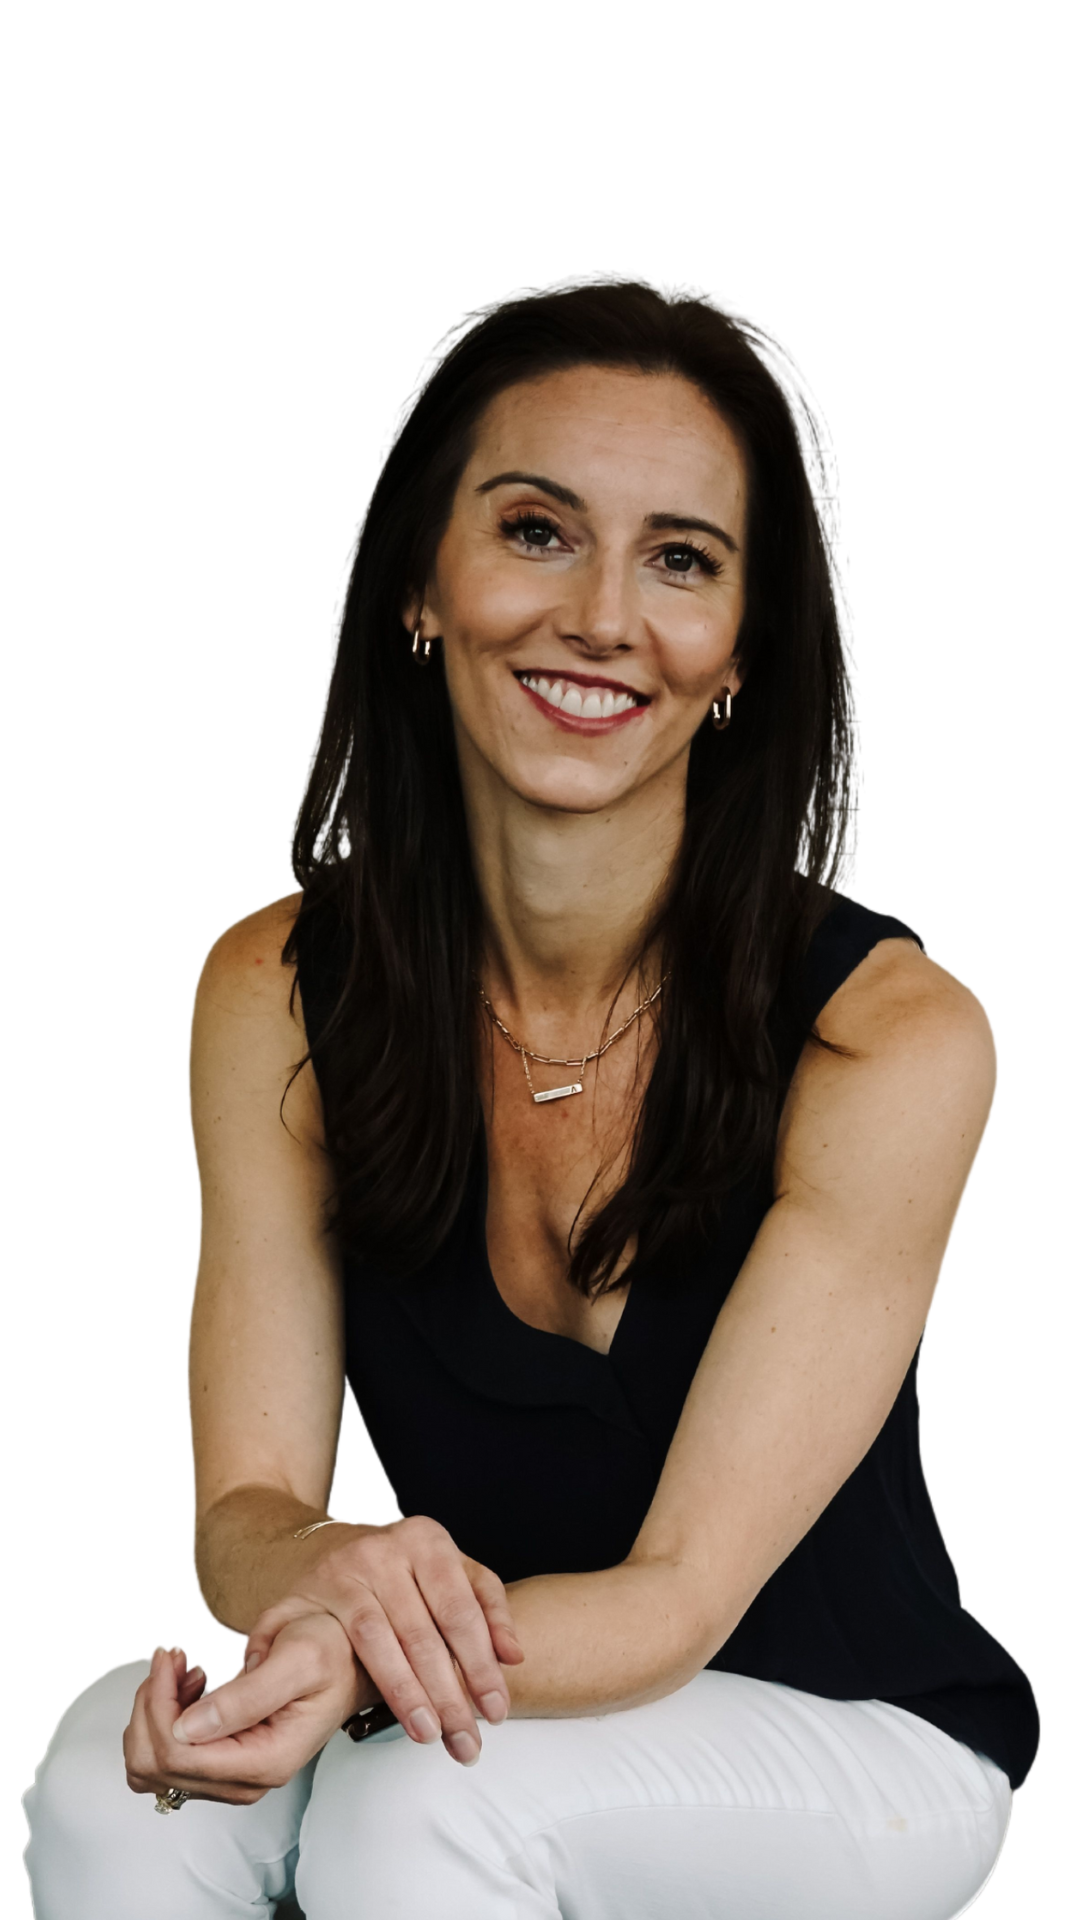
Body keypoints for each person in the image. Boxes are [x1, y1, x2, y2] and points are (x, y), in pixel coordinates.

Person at [22, 275, 1029, 1918]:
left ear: (740, 656)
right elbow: (248, 1511)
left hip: (859, 1737)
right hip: (485, 1699)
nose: (604, 617)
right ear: (425, 576)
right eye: (539, 530)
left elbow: (678, 1601)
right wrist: (311, 1584)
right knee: (108, 1782)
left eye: (683, 560)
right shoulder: (270, 990)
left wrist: (335, 1654)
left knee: (419, 1812)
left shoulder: (891, 1039)